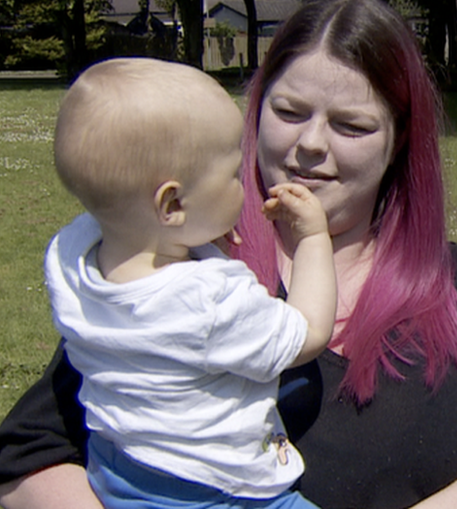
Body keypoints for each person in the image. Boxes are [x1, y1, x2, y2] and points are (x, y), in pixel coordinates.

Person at [0, 0, 457, 509]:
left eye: (351, 125)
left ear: (399, 141)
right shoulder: (174, 272)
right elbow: (27, 454)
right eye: (289, 112)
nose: (311, 145)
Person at [45, 57, 336, 508]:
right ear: (172, 203)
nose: (245, 186)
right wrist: (314, 238)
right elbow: (308, 333)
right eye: (233, 175)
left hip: (117, 470)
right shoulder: (209, 300)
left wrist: (192, 233)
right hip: (213, 489)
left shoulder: (73, 260)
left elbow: (135, 232)